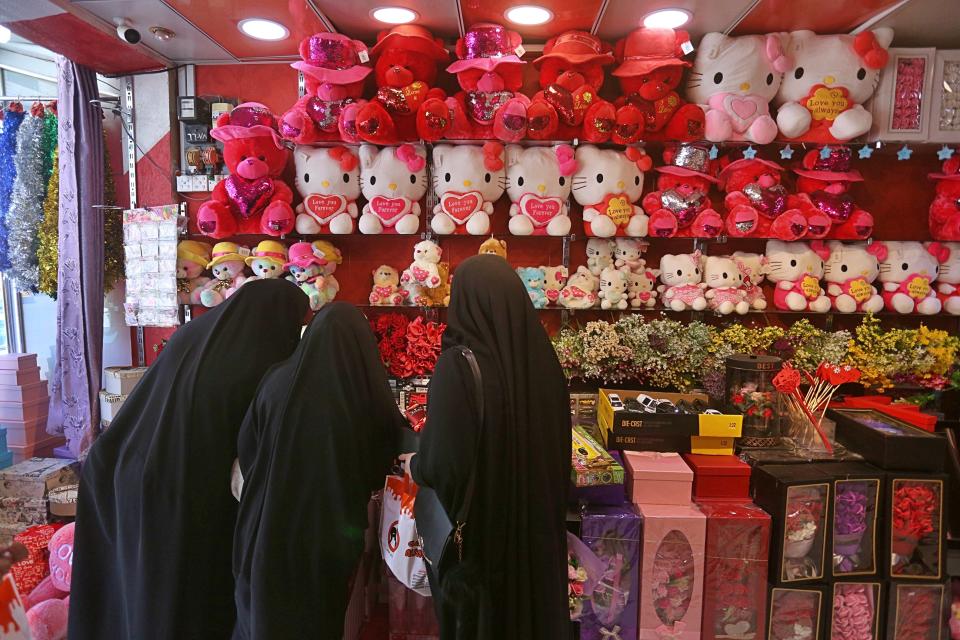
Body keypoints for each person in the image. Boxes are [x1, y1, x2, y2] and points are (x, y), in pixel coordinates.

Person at [69, 279, 309, 640]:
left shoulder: (195, 334)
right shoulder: (258, 359)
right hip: (179, 489)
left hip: (127, 470)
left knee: (139, 591)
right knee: (178, 595)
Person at [409, 255, 571, 640]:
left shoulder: (459, 367)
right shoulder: (543, 366)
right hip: (535, 537)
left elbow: (444, 464)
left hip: (482, 539)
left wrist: (416, 464)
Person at [232, 302, 406, 640]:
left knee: (259, 610)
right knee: (316, 617)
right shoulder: (360, 395)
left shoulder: (276, 379)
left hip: (263, 523)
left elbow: (247, 447)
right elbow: (379, 463)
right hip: (327, 534)